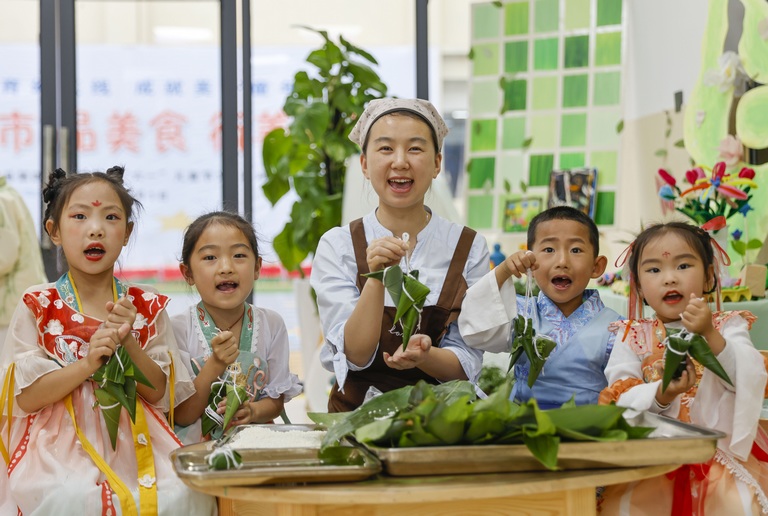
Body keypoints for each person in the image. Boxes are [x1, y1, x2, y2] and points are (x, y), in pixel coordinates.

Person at [0, 167, 215, 515]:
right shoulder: (38, 304)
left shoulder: (144, 305)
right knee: (67, 497)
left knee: (182, 495)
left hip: (139, 437)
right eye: (80, 216)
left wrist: (129, 343)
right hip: (57, 446)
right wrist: (87, 365)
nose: (95, 228)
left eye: (111, 217)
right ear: (53, 231)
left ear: (127, 232)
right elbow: (26, 397)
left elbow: (161, 394)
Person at [597, 221, 768, 514]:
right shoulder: (632, 335)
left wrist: (711, 335)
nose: (669, 279)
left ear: (708, 277)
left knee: (736, 506)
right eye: (654, 270)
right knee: (627, 507)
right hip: (654, 456)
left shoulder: (727, 326)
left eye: (683, 266)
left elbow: (748, 378)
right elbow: (620, 400)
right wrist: (662, 393)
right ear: (639, 286)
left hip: (718, 453)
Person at [310, 97, 488, 412]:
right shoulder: (338, 245)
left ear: (437, 163)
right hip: (358, 419)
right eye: (386, 148)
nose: (401, 161)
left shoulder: (468, 245)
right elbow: (355, 355)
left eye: (416, 148)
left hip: (444, 420)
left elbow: (466, 362)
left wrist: (426, 356)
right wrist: (376, 279)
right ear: (364, 164)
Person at [459, 205, 620, 408]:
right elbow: (474, 330)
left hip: (586, 430)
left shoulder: (616, 327)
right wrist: (504, 271)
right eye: (549, 249)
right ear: (529, 263)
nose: (562, 261)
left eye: (576, 250)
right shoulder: (521, 313)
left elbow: (624, 389)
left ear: (597, 267)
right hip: (522, 426)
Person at [172, 211, 301, 443]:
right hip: (197, 451)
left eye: (239, 255)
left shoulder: (272, 324)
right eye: (210, 258)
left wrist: (254, 412)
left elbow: (275, 400)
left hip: (255, 444)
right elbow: (182, 414)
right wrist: (216, 364)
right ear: (188, 273)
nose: (226, 267)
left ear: (257, 268)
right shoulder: (178, 329)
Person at [0, 174, 47, 346]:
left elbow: (4, 257)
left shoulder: (2, 200)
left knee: (9, 367)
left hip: (10, 304)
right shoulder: (8, 193)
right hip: (18, 299)